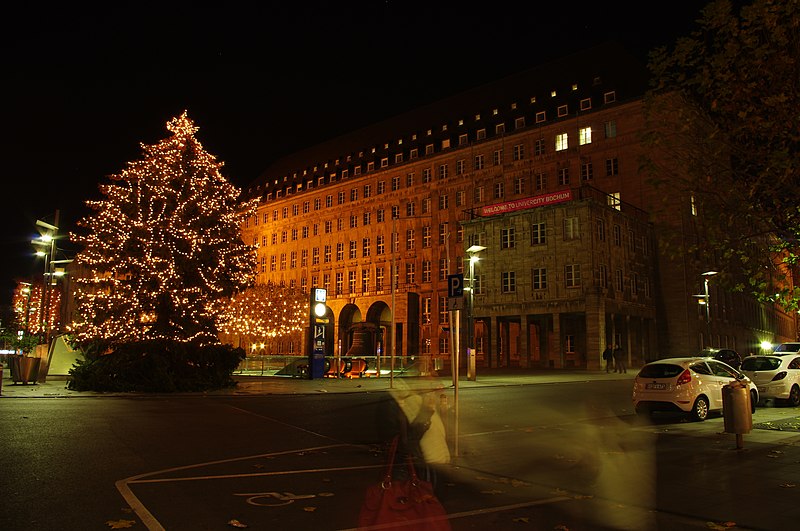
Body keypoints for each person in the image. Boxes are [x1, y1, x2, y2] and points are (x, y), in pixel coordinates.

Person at [376, 378, 451, 487]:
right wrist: (426, 412)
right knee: (418, 495)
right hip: (411, 466)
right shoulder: (402, 402)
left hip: (420, 462)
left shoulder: (411, 400)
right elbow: (408, 438)